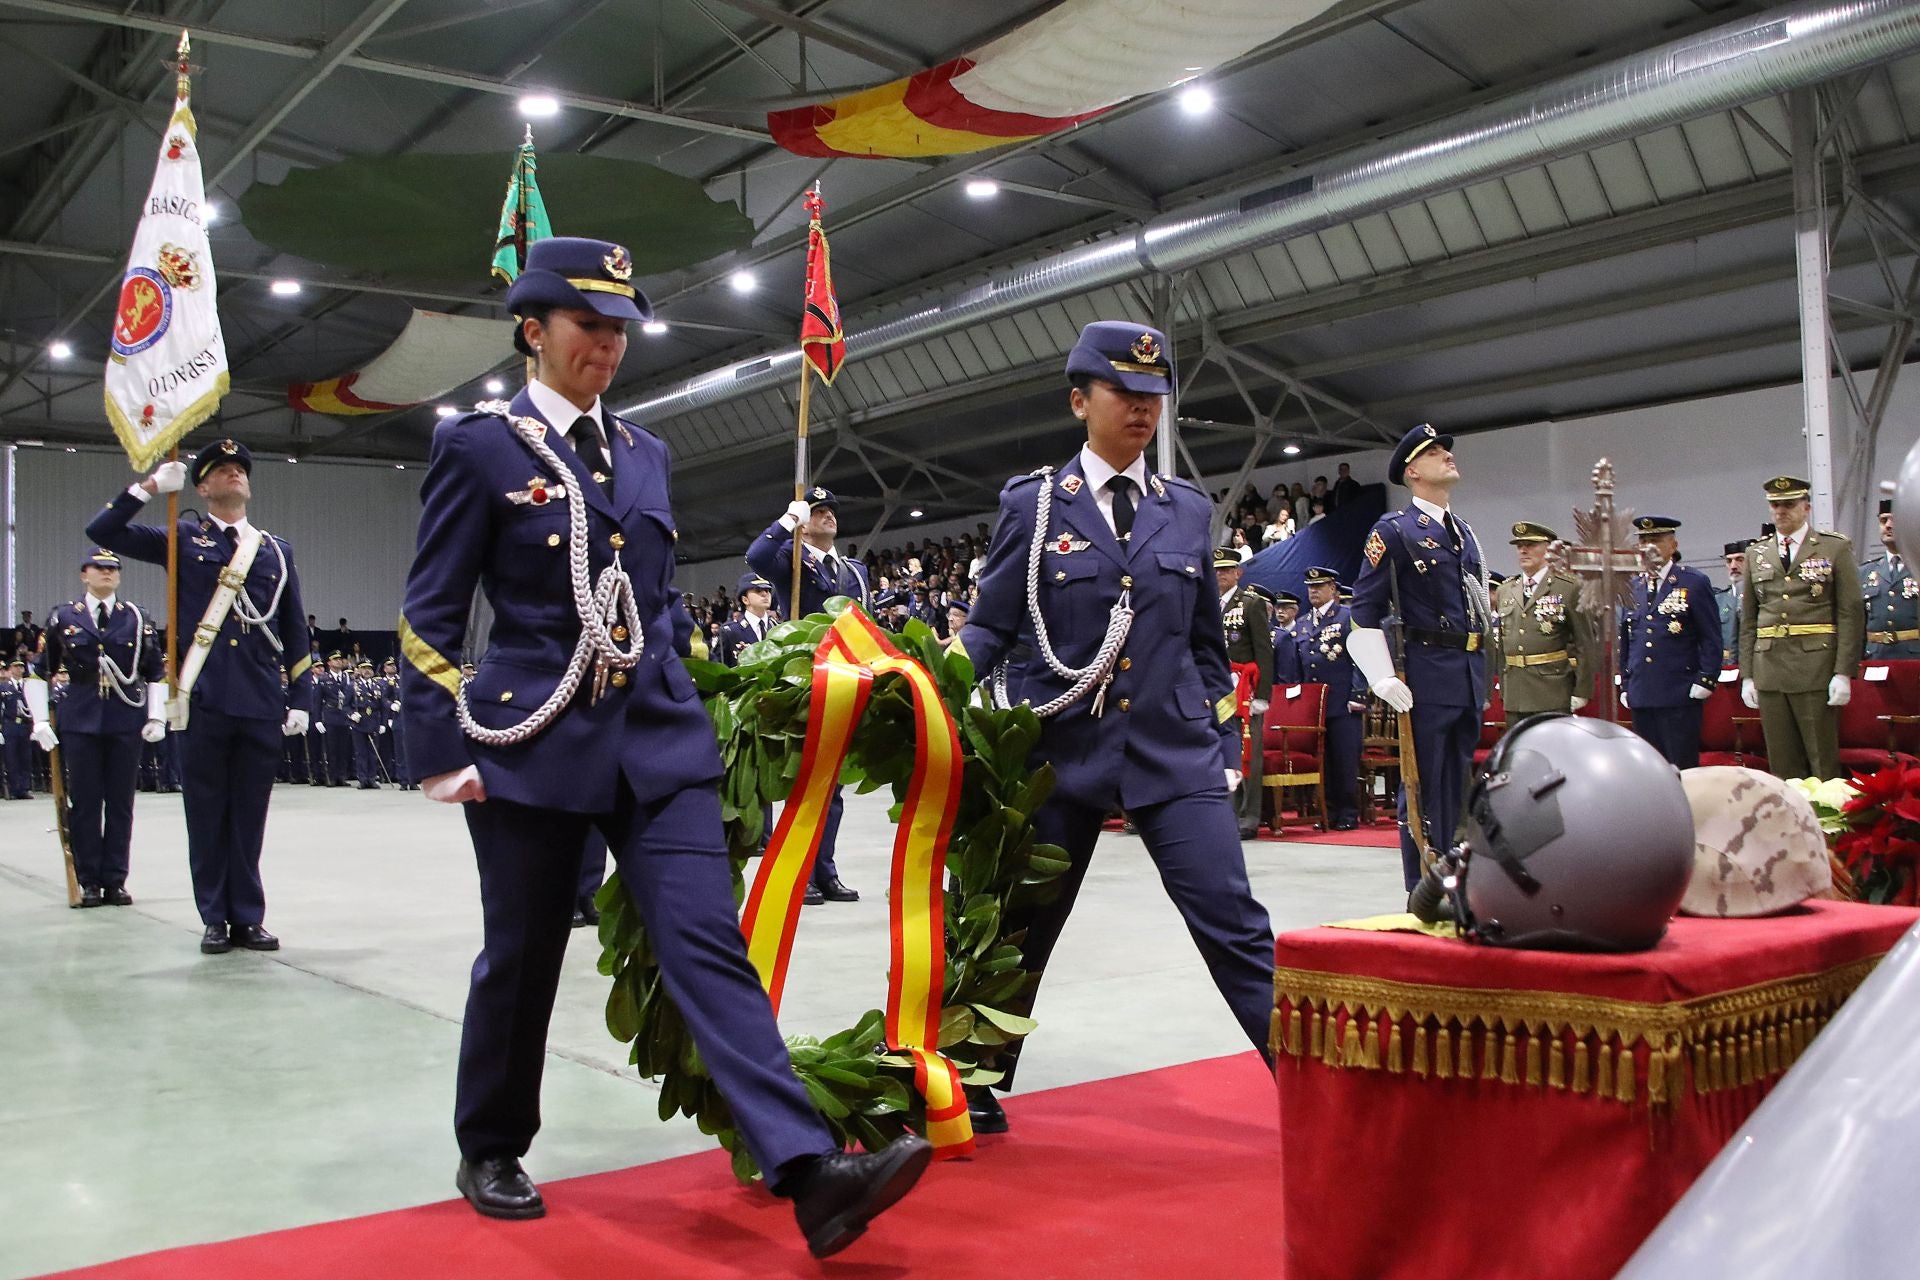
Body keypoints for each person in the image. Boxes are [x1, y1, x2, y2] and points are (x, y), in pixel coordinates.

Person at [395, 236, 926, 1253]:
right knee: (525, 950)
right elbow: (429, 607)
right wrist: (443, 747)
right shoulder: (481, 447)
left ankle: (810, 1169)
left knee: (706, 939)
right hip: (532, 737)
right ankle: (491, 1142)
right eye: (587, 324)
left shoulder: (647, 453)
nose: (607, 343)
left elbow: (658, 601)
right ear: (533, 330)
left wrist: (694, 709)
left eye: (619, 328)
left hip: (655, 738)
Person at [957, 320, 1276, 1135]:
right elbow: (991, 627)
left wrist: (1219, 736)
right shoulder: (1031, 506)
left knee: (1232, 918)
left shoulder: (1187, 511)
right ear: (1080, 401)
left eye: (1153, 398)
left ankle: (1309, 1077)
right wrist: (933, 690)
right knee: (1023, 923)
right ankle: (975, 1076)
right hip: (1058, 752)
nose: (1142, 410)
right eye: (1124, 395)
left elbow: (1210, 645)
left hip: (1171, 753)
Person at [87, 437, 313, 953]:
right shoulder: (182, 539)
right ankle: (214, 915)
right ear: (203, 486)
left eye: (240, 469)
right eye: (222, 470)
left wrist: (301, 696)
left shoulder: (276, 550)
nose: (234, 474)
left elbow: (294, 628)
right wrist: (146, 487)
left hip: (259, 701)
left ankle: (248, 916)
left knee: (250, 816)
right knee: (207, 813)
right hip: (202, 698)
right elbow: (102, 532)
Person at [1348, 424, 1491, 892]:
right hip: (1425, 675)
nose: (1447, 455)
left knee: (1457, 787)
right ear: (1413, 471)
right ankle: (1422, 887)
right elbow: (1364, 611)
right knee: (1422, 785)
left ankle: (1455, 881)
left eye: (1446, 448)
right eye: (1434, 452)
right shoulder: (1394, 530)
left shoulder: (1463, 531)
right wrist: (1381, 676)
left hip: (1466, 673)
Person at [745, 486, 865, 905]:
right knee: (803, 784)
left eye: (832, 509)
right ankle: (802, 874)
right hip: (804, 680)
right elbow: (756, 558)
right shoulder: (790, 563)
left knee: (832, 787)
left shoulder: (854, 570)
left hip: (846, 679)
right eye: (818, 510)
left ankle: (826, 871)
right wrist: (787, 522)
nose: (828, 515)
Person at [25, 548, 166, 906]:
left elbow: (155, 673)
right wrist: (39, 719)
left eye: (113, 569)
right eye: (99, 568)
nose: (108, 573)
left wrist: (156, 716)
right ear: (83, 574)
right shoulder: (63, 617)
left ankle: (115, 879)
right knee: (85, 802)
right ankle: (88, 879)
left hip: (124, 717)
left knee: (121, 803)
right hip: (81, 719)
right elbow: (40, 672)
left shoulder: (136, 617)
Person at [1738, 475, 1865, 780]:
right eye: (1775, 505)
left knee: (1822, 760)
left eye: (1788, 504)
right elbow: (1749, 619)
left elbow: (1850, 611)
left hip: (1815, 666)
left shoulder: (1833, 548)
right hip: (1769, 667)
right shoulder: (1756, 554)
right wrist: (1748, 675)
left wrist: (1843, 672)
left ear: (1806, 507)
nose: (1780, 511)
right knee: (1782, 763)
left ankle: (1826, 824)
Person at [1620, 517, 1721, 769]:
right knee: (1649, 767)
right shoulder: (1633, 586)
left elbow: (1710, 636)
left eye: (1655, 540)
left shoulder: (1692, 582)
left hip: (1678, 689)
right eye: (1643, 541)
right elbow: (1628, 638)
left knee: (1680, 766)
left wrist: (1706, 678)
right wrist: (1625, 682)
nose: (1648, 547)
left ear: (1673, 545)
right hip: (1643, 690)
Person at [1493, 522, 1597, 719]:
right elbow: (1502, 644)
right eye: (1519, 546)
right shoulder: (1505, 590)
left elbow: (1585, 643)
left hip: (1552, 689)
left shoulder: (1567, 588)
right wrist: (1504, 687)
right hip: (1516, 691)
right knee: (1519, 747)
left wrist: (1582, 691)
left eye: (1531, 545)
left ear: (1549, 549)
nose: (1524, 550)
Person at [1297, 566, 1362, 829]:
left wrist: (1358, 694)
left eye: (1319, 587)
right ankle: (1329, 811)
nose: (1313, 591)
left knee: (1344, 759)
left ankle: (1347, 813)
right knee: (1324, 761)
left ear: (1333, 589)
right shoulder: (1303, 623)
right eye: (1310, 587)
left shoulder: (1347, 617)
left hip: (1342, 699)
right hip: (1315, 704)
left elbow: (1359, 658)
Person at [1216, 548, 1273, 839]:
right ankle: (1226, 814)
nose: (1220, 575)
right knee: (1222, 754)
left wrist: (1263, 695)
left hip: (1246, 690)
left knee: (1249, 754)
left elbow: (1264, 650)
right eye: (1216, 570)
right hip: (1217, 690)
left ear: (1238, 572)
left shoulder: (1251, 604)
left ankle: (1249, 817)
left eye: (1226, 569)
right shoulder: (1209, 605)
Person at [1862, 497, 1920, 659]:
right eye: (1883, 520)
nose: (1888, 525)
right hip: (1875, 658)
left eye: (1895, 520)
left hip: (1914, 660)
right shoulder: (1866, 572)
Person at [717, 572, 777, 666]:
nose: (765, 594)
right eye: (758, 590)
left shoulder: (778, 628)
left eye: (767, 590)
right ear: (745, 600)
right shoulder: (730, 632)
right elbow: (722, 668)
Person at [316, 651, 352, 786]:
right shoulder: (324, 678)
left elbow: (351, 697)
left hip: (344, 715)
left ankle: (342, 776)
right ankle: (331, 776)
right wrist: (318, 719)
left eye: (340, 659)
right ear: (329, 663)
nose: (338, 661)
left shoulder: (346, 677)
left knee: (343, 748)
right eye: (335, 659)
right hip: (330, 714)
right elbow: (317, 700)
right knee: (331, 748)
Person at [1, 658, 36, 798]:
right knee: (12, 757)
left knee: (26, 757)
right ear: (10, 669)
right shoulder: (4, 687)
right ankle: (15, 788)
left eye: (21, 666)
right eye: (16, 667)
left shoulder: (28, 685)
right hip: (10, 723)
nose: (19, 669)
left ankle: (25, 788)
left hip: (25, 723)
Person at [1718, 540, 1746, 668]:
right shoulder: (1718, 600)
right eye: (1729, 561)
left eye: (1740, 559)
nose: (1733, 566)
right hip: (1727, 670)